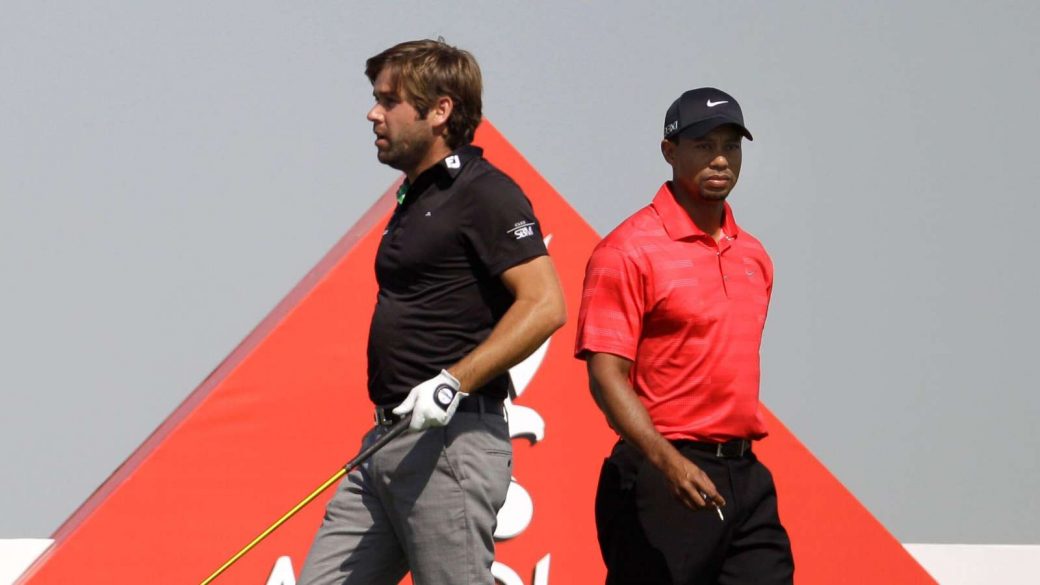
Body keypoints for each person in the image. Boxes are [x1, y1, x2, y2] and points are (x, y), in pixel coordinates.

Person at [299, 39, 566, 585]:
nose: (373, 113)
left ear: (440, 110)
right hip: (386, 442)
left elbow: (545, 304)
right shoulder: (416, 196)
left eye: (389, 101)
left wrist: (452, 381)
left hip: (450, 443)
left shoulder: (484, 193)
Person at [574, 88, 794, 584]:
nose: (720, 159)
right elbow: (606, 378)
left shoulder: (754, 256)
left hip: (745, 475)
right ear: (669, 151)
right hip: (660, 475)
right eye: (703, 145)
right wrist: (668, 463)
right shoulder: (626, 251)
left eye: (731, 146)